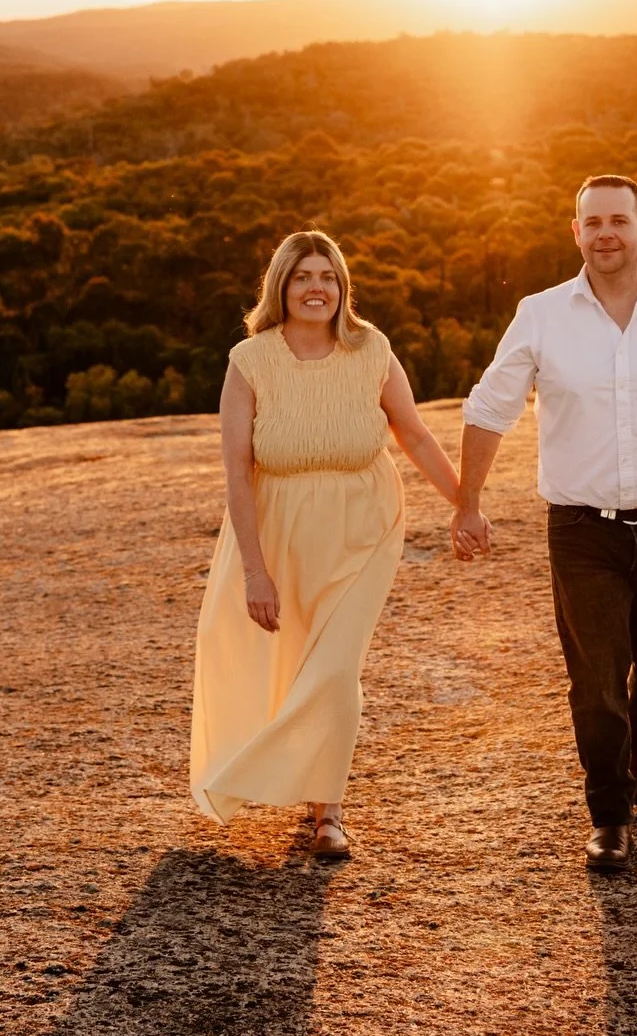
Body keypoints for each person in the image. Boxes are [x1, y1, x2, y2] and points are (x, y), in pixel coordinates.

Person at [450, 175, 637, 871]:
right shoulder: (540, 314)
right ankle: (609, 815)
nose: (606, 233)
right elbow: (489, 409)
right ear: (576, 232)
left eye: (620, 220)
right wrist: (468, 503)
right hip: (581, 530)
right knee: (596, 679)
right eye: (593, 222)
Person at [191, 230, 465, 857]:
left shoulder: (372, 349)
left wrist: (465, 502)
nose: (316, 288)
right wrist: (254, 572)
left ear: (342, 288)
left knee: (336, 668)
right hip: (280, 529)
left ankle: (328, 812)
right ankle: (296, 783)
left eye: (327, 277)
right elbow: (236, 470)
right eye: (302, 277)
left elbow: (416, 435)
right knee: (298, 663)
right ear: (281, 287)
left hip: (365, 528)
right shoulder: (250, 360)